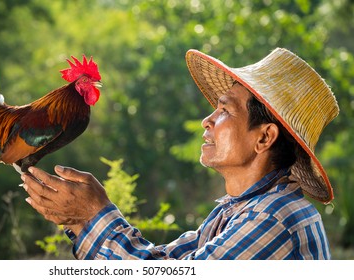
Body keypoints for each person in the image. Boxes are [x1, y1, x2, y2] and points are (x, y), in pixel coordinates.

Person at [20, 48, 339, 259]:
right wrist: (78, 218)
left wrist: (93, 214)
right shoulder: (237, 211)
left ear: (264, 137)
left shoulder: (273, 218)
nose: (208, 120)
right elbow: (165, 263)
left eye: (225, 110)